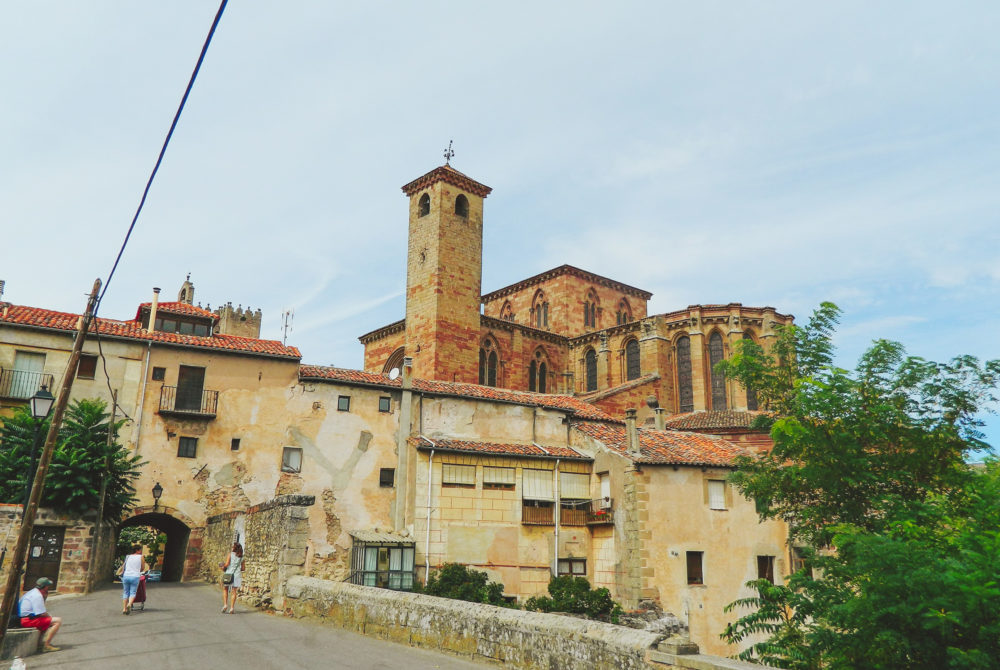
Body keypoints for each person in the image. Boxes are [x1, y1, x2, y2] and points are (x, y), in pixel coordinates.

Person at [19, 577, 61, 652]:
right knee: (57, 621)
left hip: (26, 618)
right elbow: (41, 613)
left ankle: (39, 644)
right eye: (48, 586)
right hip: (28, 620)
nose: (48, 588)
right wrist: (50, 616)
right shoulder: (37, 596)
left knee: (47, 621)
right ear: (45, 587)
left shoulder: (32, 592)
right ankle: (46, 645)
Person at [118, 544, 148, 614]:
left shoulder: (128, 556)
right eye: (140, 550)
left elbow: (124, 566)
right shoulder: (141, 557)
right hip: (135, 576)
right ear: (137, 550)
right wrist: (138, 571)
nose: (141, 551)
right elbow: (143, 568)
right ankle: (129, 604)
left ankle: (124, 609)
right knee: (133, 592)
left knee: (125, 592)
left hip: (126, 576)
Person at [220, 541, 245, 614]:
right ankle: (232, 608)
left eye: (233, 546)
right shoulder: (242, 557)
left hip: (228, 574)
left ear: (235, 548)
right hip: (237, 575)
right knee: (234, 592)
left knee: (225, 589)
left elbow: (227, 564)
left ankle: (225, 605)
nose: (232, 547)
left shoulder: (230, 555)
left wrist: (222, 567)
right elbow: (243, 569)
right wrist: (237, 568)